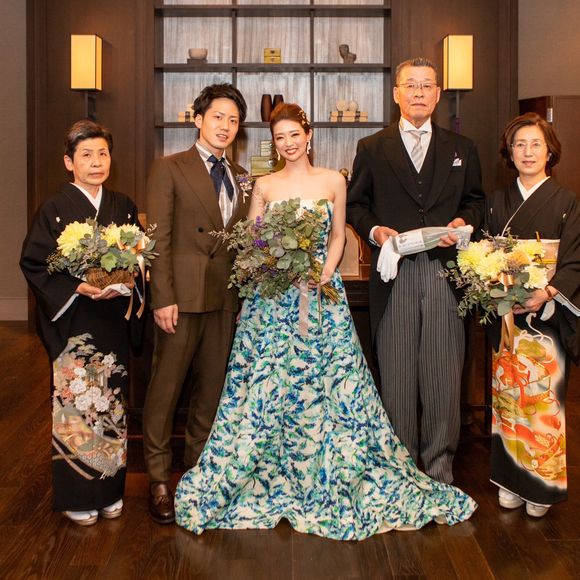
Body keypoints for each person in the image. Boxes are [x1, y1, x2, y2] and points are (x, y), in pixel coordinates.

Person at [174, 103, 476, 541]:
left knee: (335, 384)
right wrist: (275, 266)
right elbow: (255, 240)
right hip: (272, 301)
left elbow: (338, 236)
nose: (288, 143)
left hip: (321, 295)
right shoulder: (264, 184)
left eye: (294, 135)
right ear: (273, 144)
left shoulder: (334, 180)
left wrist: (324, 272)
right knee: (267, 387)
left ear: (309, 135)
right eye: (280, 138)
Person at [346, 57, 485, 484]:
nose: (419, 92)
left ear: (438, 94)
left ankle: (440, 468)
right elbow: (355, 205)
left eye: (427, 85)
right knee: (397, 373)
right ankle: (400, 469)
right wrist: (376, 232)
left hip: (446, 272)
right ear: (397, 93)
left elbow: (476, 201)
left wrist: (463, 223)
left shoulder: (462, 148)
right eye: (411, 85)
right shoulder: (373, 147)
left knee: (444, 373)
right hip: (396, 272)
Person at [20, 120, 140, 526]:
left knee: (112, 405)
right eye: (86, 155)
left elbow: (140, 258)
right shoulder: (53, 209)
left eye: (102, 153)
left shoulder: (123, 205)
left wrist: (128, 279)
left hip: (112, 319)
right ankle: (77, 494)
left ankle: (108, 489)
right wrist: (76, 286)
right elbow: (34, 263)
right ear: (69, 162)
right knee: (77, 404)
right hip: (74, 322)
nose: (96, 162)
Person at [143, 83, 250, 524]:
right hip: (181, 300)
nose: (225, 125)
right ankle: (158, 479)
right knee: (165, 391)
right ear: (198, 119)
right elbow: (159, 240)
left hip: (223, 300)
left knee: (210, 394)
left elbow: (242, 244)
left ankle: (197, 475)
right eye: (218, 116)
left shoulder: (243, 177)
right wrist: (163, 297)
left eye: (233, 120)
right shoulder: (169, 168)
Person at [486, 112, 580, 517]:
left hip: (548, 318)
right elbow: (484, 253)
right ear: (510, 153)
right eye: (519, 145)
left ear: (550, 151)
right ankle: (510, 480)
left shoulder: (567, 202)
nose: (527, 152)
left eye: (535, 144)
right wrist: (494, 285)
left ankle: (540, 484)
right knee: (508, 398)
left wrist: (546, 292)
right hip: (507, 315)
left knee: (543, 402)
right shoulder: (496, 201)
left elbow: (574, 259)